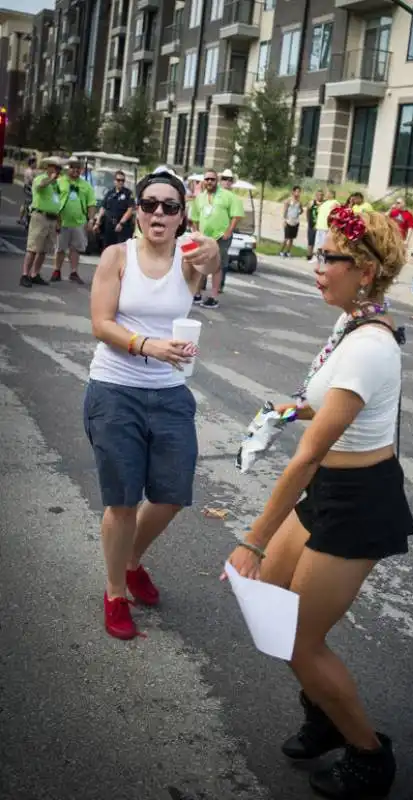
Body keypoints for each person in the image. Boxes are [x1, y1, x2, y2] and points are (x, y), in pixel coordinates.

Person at [224, 206, 413, 799]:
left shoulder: (369, 346)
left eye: (327, 257)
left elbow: (308, 455)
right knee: (274, 614)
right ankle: (325, 714)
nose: (316, 266)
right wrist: (287, 409)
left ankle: (368, 755)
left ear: (361, 270)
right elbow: (327, 409)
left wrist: (252, 538)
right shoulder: (350, 325)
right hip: (329, 488)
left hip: (358, 502)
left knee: (300, 640)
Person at [85, 170, 220, 640]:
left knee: (171, 494)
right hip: (114, 389)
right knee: (122, 500)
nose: (158, 213)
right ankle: (115, 591)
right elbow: (101, 324)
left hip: (169, 392)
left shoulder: (189, 258)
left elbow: (212, 259)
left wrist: (215, 252)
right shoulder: (116, 257)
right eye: (149, 204)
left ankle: (131, 560)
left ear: (183, 214)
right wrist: (148, 345)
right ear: (137, 210)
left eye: (169, 205)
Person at [190, 168, 243, 308]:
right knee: (201, 264)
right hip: (204, 237)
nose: (209, 182)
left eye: (212, 179)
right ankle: (196, 294)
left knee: (217, 266)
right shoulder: (200, 197)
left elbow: (236, 215)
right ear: (203, 181)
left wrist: (229, 231)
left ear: (217, 181)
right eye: (207, 179)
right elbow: (194, 217)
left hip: (221, 237)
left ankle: (213, 297)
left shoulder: (228, 196)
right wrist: (196, 232)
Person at [52, 156, 97, 285]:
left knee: (76, 248)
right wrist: (56, 218)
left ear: (81, 170)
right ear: (68, 168)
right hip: (62, 221)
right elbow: (54, 200)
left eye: (78, 168)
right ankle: (57, 271)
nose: (75, 170)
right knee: (60, 248)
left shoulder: (86, 186)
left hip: (79, 222)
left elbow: (91, 204)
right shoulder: (60, 182)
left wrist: (91, 220)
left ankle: (74, 272)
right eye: (72, 167)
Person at [19, 156, 62, 288]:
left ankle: (35, 274)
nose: (58, 170)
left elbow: (57, 201)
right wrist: (51, 179)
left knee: (43, 250)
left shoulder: (56, 185)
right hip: (40, 217)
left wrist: (58, 220)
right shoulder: (41, 178)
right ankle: (25, 274)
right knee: (33, 248)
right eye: (55, 167)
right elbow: (40, 186)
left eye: (59, 168)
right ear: (48, 167)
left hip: (52, 218)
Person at [93, 170, 135, 248]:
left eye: (122, 180)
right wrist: (97, 222)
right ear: (114, 181)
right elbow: (103, 208)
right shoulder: (110, 193)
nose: (120, 182)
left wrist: (121, 223)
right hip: (109, 226)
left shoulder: (128, 193)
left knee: (121, 250)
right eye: (118, 180)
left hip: (122, 227)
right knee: (107, 249)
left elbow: (130, 210)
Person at [280, 185, 303, 257]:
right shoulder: (288, 200)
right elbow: (285, 211)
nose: (298, 193)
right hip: (288, 221)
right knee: (286, 238)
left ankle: (288, 251)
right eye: (297, 191)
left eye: (299, 192)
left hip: (295, 222)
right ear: (293, 192)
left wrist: (298, 212)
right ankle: (281, 251)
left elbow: (301, 210)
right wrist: (284, 220)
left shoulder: (299, 201)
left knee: (292, 238)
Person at [306, 189, 324, 261]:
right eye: (319, 195)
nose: (320, 196)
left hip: (320, 226)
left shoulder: (324, 204)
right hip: (312, 225)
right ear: (316, 195)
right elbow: (307, 211)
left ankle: (318, 256)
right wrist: (308, 221)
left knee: (320, 242)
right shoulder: (312, 202)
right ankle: (309, 256)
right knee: (311, 241)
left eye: (322, 195)